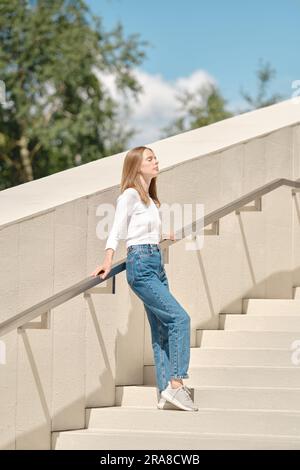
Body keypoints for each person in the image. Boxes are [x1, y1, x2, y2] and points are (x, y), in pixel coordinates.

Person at [91, 146, 198, 412]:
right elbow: (116, 229)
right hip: (140, 265)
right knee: (180, 318)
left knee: (162, 329)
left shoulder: (150, 200)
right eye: (150, 159)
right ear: (136, 166)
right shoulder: (128, 195)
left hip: (154, 260)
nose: (156, 161)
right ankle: (176, 385)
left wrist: (163, 235)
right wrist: (107, 260)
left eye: (155, 157)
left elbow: (142, 231)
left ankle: (165, 392)